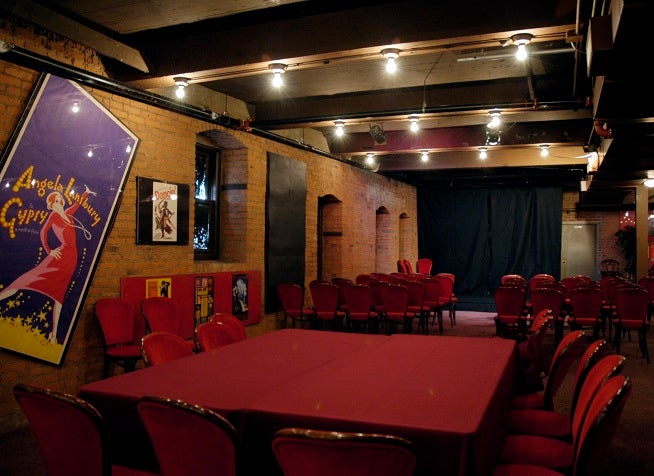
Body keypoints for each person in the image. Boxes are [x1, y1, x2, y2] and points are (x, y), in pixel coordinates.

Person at [0, 185, 96, 344]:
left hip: (71, 259)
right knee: (26, 279)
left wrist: (86, 192)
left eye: (59, 200)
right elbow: (43, 232)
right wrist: (49, 251)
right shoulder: (53, 216)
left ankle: (53, 335)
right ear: (51, 205)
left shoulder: (68, 214)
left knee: (59, 295)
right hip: (59, 256)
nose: (58, 203)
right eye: (55, 201)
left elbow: (77, 204)